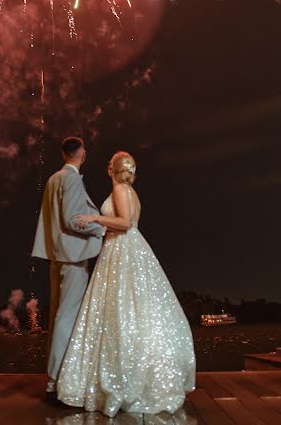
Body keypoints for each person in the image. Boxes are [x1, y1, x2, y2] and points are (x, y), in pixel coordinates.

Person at [57, 151, 196, 417]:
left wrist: (95, 218)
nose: (107, 164)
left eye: (110, 162)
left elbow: (125, 223)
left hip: (122, 250)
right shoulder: (130, 191)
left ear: (115, 169)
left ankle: (120, 380)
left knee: (119, 308)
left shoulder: (121, 189)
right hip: (123, 249)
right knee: (128, 307)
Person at [32, 137, 106, 403]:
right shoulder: (72, 179)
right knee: (67, 317)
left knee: (58, 316)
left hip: (56, 255)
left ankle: (55, 380)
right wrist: (103, 227)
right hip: (73, 257)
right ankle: (57, 383)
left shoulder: (53, 178)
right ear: (81, 154)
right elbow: (74, 220)